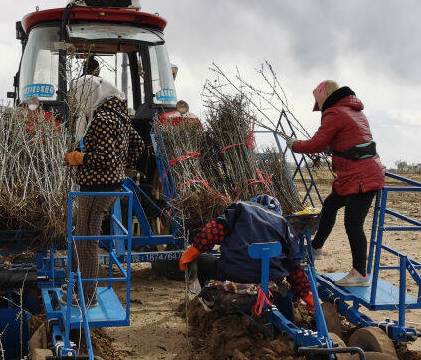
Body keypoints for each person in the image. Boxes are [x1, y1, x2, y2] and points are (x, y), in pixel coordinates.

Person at [286, 81, 385, 287]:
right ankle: (316, 247)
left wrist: (294, 145)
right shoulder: (355, 111)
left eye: (317, 102)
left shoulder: (334, 113)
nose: (318, 107)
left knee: (353, 224)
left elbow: (317, 143)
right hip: (356, 174)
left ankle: (360, 274)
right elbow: (345, 141)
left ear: (324, 97)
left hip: (360, 177)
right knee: (330, 206)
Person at [64, 74, 144, 306]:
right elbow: (137, 145)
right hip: (108, 184)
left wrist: (78, 158)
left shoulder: (103, 118)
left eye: (80, 96)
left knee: (87, 240)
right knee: (83, 235)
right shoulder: (118, 114)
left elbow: (105, 158)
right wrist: (121, 164)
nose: (79, 101)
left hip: (97, 187)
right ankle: (78, 286)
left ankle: (87, 296)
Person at [177, 195, 311, 321]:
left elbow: (213, 232)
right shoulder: (285, 225)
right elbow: (294, 267)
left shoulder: (241, 208)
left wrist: (191, 252)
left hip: (233, 275)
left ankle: (209, 303)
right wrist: (308, 297)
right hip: (270, 281)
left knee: (203, 260)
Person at [69, 56, 125, 140]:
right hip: (101, 124)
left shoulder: (75, 83)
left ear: (83, 69)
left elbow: (70, 102)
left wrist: (83, 109)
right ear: (98, 70)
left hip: (79, 120)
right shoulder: (104, 83)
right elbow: (120, 98)